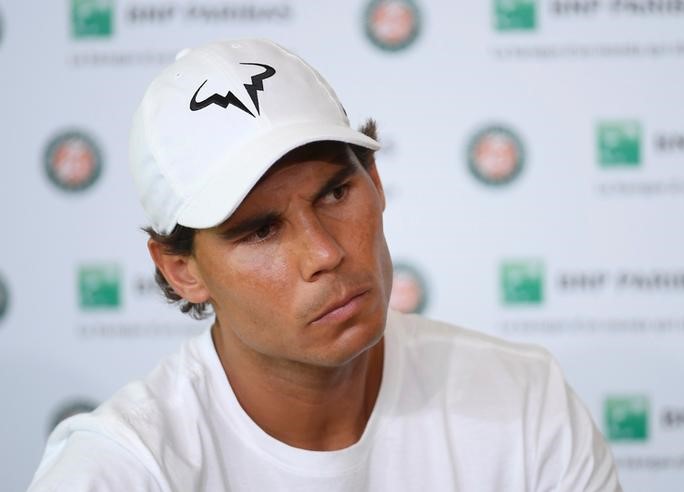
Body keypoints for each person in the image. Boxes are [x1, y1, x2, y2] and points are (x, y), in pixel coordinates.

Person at [28, 38, 622, 491]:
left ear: (376, 181)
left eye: (335, 193)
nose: (325, 253)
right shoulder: (118, 470)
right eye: (260, 230)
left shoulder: (521, 399)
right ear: (184, 270)